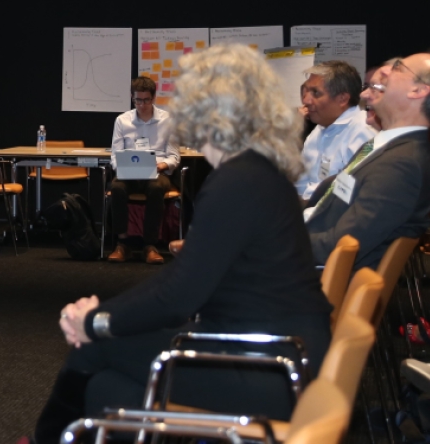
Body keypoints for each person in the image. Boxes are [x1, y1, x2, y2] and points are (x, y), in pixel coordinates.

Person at [32, 44, 331, 443]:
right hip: (276, 356)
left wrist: (95, 320)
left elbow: (179, 295)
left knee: (94, 348)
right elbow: (182, 281)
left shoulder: (238, 182)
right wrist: (103, 314)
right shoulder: (257, 172)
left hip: (266, 367)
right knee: (108, 390)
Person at [306, 52, 430, 271]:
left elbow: (341, 245)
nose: (384, 70)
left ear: (418, 91)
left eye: (398, 67)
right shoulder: (385, 146)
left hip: (314, 281)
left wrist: (273, 243)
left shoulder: (402, 165)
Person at [107, 76, 180, 264]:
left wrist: (162, 165)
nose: (142, 105)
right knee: (117, 188)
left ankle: (150, 245)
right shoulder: (122, 121)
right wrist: (122, 166)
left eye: (146, 100)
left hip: (157, 172)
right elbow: (115, 155)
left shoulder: (168, 121)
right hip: (129, 173)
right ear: (133, 98)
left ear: (154, 98)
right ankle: (122, 244)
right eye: (138, 100)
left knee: (156, 189)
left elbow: (174, 156)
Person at [294, 61, 373, 200]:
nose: (306, 100)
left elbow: (350, 192)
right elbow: (300, 183)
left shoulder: (363, 132)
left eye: (316, 93)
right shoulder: (318, 129)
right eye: (305, 91)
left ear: (342, 99)